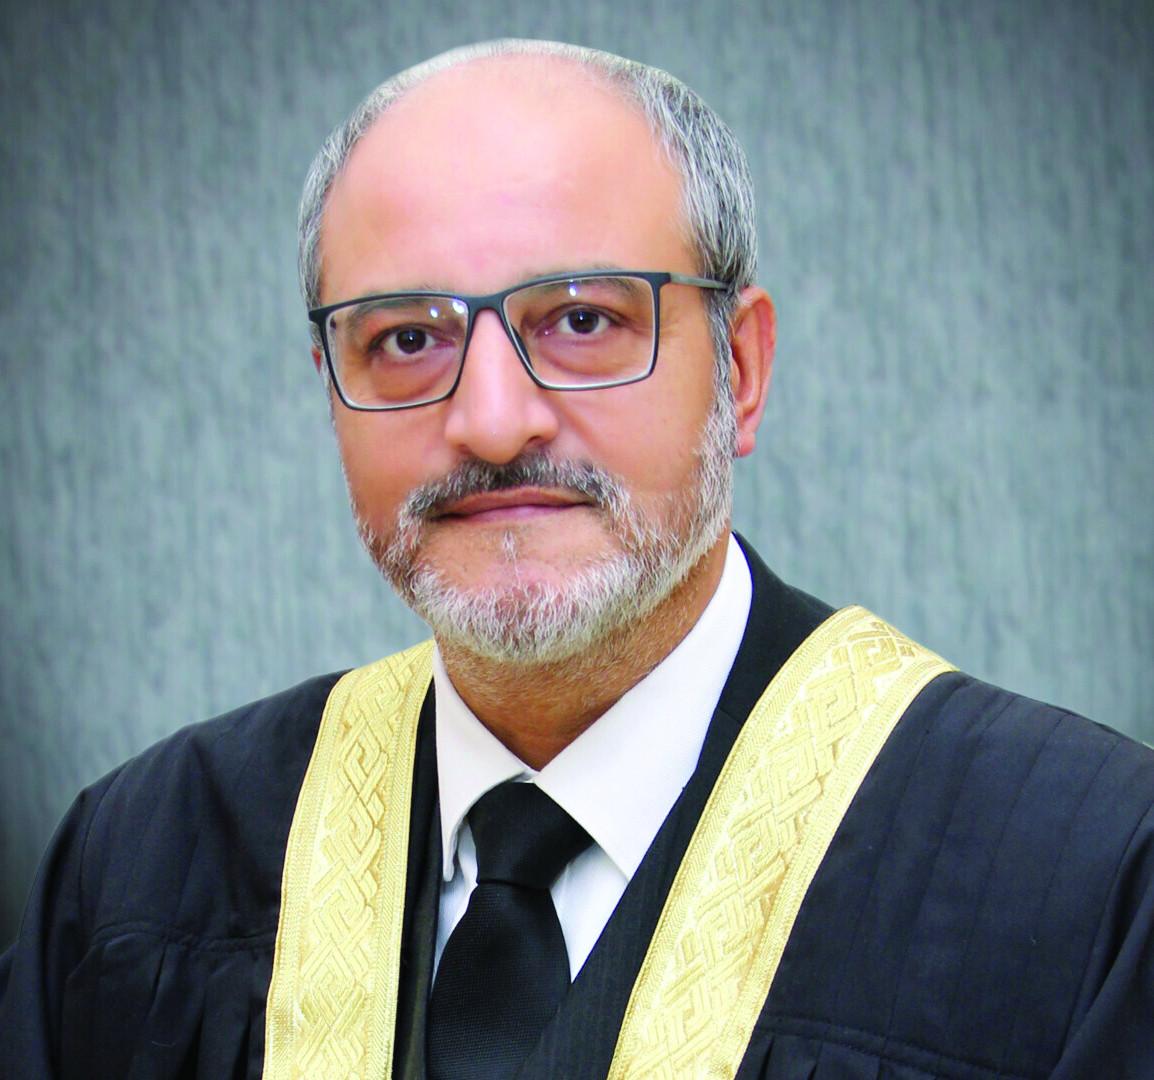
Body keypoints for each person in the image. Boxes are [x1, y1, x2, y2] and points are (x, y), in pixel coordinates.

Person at [1, 38, 1151, 1080]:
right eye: (407, 338)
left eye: (583, 321)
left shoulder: (1078, 883)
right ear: (330, 393)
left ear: (740, 370)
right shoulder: (141, 870)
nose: (493, 423)